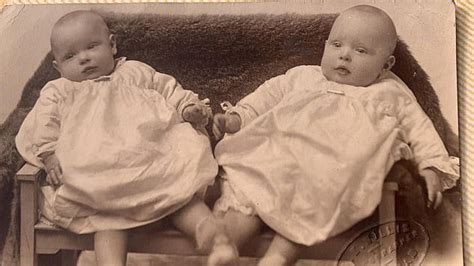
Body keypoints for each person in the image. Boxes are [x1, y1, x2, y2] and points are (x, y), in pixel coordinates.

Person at [212, 5, 459, 266]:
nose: (345, 56)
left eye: (360, 51)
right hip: (279, 153)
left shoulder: (390, 92)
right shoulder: (304, 76)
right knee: (248, 186)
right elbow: (265, 97)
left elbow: (418, 127)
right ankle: (224, 246)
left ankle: (277, 258)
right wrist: (237, 118)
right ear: (325, 46)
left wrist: (431, 166)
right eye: (337, 45)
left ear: (386, 64)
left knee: (313, 203)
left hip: (329, 171)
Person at [16, 10, 237, 266]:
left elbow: (168, 88)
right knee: (108, 220)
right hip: (99, 180)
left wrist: (188, 108)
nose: (84, 59)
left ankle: (216, 240)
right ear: (57, 67)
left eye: (91, 47)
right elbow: (43, 123)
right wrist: (49, 153)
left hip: (151, 162)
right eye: (70, 56)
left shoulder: (136, 71)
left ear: (112, 44)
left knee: (179, 195)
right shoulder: (60, 90)